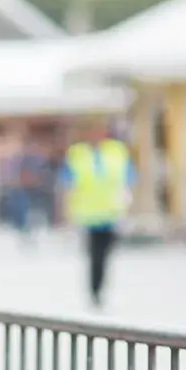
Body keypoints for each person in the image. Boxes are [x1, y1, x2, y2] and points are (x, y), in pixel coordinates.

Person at [62, 122, 134, 307]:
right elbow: (66, 182)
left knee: (107, 255)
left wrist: (126, 202)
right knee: (95, 256)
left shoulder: (116, 152)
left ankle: (101, 287)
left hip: (112, 214)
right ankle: (95, 291)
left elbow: (130, 177)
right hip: (90, 216)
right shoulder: (78, 154)